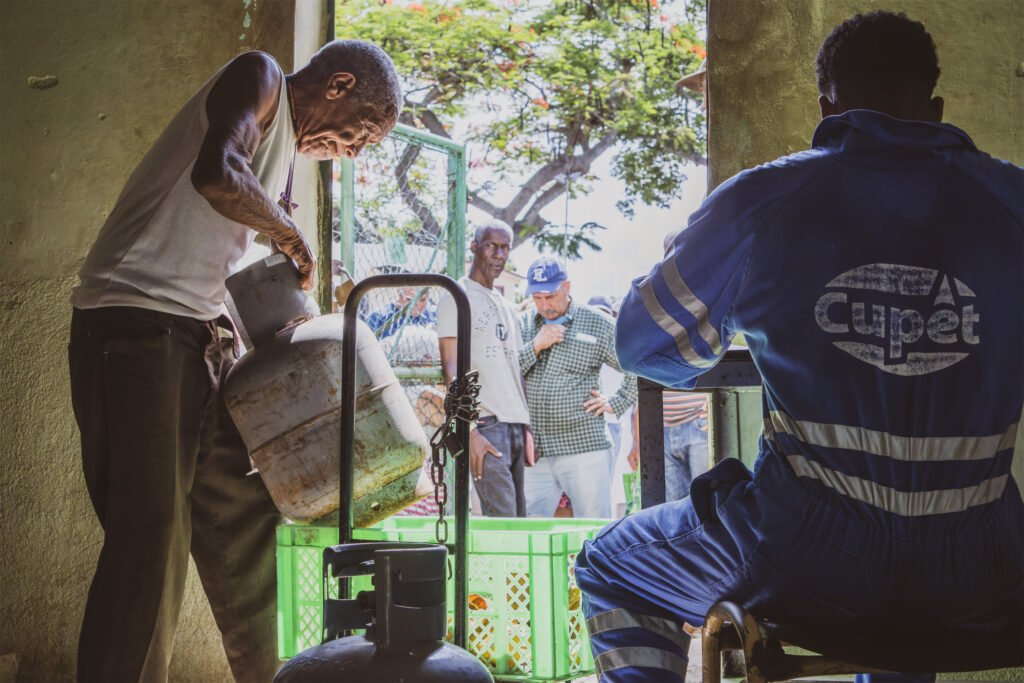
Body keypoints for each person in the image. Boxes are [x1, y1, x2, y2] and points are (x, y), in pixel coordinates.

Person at [576, 11, 1023, 682]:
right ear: (933, 107)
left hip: (806, 564)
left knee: (611, 564)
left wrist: (731, 318)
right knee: (912, 619)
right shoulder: (1012, 201)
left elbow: (643, 346)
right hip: (981, 575)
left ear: (826, 106)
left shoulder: (764, 200)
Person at [68, 40, 401, 682]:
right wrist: (286, 231)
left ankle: (271, 676)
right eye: (360, 133)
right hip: (134, 325)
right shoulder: (261, 76)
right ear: (337, 84)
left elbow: (220, 256)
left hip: (195, 337)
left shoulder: (279, 169)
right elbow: (217, 173)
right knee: (152, 539)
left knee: (245, 514)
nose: (354, 152)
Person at [519, 257, 638, 518]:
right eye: (537, 298)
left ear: (567, 287)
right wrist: (535, 346)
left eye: (550, 296)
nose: (544, 305)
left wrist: (615, 402)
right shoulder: (524, 325)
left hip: (585, 448)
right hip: (535, 453)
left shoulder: (596, 322)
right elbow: (506, 374)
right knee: (530, 533)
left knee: (593, 530)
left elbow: (636, 363)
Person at [436, 225, 532, 517]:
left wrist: (527, 429)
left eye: (506, 248)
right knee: (505, 526)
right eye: (492, 246)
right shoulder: (457, 295)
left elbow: (516, 370)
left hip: (515, 426)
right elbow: (451, 369)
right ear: (475, 247)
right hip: (486, 425)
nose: (499, 255)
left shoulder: (507, 305)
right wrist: (469, 431)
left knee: (519, 522)